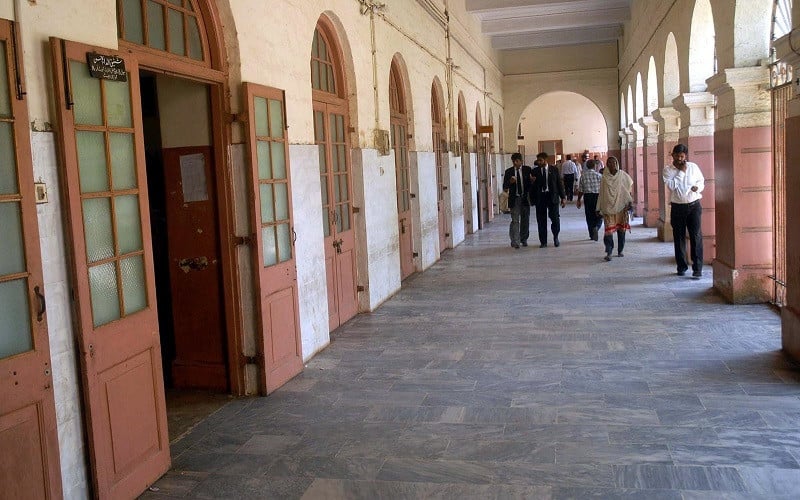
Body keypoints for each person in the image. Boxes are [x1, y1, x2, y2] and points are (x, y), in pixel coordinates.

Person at [662, 143, 705, 278]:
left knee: (696, 236)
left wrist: (697, 187)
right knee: (679, 237)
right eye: (677, 156)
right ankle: (681, 266)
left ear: (685, 156)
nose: (680, 159)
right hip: (678, 207)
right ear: (672, 155)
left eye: (682, 156)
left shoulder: (693, 167)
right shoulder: (667, 170)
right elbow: (672, 186)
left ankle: (697, 269)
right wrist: (681, 172)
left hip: (694, 206)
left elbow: (701, 181)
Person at [597, 156, 633, 261]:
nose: (611, 164)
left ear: (616, 163)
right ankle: (609, 251)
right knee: (608, 231)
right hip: (608, 207)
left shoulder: (622, 175)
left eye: (613, 162)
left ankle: (620, 250)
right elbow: (602, 193)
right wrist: (599, 207)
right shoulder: (604, 177)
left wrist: (629, 201)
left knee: (621, 230)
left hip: (622, 206)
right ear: (607, 165)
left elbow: (629, 187)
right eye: (609, 163)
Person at [531, 151, 566, 247]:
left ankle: (555, 237)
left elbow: (559, 184)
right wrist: (532, 182)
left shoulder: (554, 170)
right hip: (540, 198)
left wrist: (563, 197)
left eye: (540, 160)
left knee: (555, 218)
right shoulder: (534, 171)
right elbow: (532, 187)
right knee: (541, 220)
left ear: (546, 160)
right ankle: (543, 242)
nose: (539, 162)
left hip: (552, 197)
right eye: (538, 160)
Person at [502, 152, 533, 248]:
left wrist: (532, 181)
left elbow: (530, 184)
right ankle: (515, 241)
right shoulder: (509, 172)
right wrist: (509, 182)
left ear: (521, 161)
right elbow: (504, 187)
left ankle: (524, 239)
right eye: (513, 161)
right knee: (515, 220)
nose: (515, 163)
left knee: (525, 219)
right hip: (514, 199)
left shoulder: (527, 170)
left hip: (525, 198)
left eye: (517, 161)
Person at [576, 159, 603, 241]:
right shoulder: (599, 176)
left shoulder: (583, 176)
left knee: (589, 216)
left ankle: (591, 234)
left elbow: (581, 190)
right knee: (599, 215)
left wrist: (579, 200)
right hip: (597, 197)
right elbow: (603, 189)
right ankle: (597, 227)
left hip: (588, 197)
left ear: (586, 166)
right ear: (595, 166)